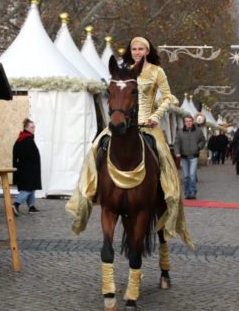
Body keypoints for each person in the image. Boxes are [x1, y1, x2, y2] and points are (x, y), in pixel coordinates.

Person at [67, 36, 192, 247]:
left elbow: (169, 97)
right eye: (134, 48)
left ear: (147, 50)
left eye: (141, 48)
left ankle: (167, 196)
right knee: (95, 148)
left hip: (148, 126)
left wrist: (156, 116)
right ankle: (89, 193)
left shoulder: (156, 71)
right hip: (121, 122)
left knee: (164, 158)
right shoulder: (122, 70)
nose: (137, 52)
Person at [12, 118, 41, 215]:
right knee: (28, 188)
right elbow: (27, 155)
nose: (34, 129)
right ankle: (16, 203)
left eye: (34, 127)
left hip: (27, 168)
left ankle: (31, 206)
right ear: (26, 128)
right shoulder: (26, 139)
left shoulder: (23, 137)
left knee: (31, 186)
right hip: (28, 169)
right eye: (31, 127)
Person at [174, 115, 206, 200]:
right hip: (184, 157)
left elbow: (203, 140)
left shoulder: (198, 131)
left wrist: (198, 147)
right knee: (186, 176)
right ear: (184, 122)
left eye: (190, 121)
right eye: (187, 121)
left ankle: (193, 192)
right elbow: (176, 143)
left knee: (192, 175)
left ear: (192, 122)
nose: (188, 123)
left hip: (194, 157)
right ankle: (187, 192)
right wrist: (177, 152)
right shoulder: (180, 132)